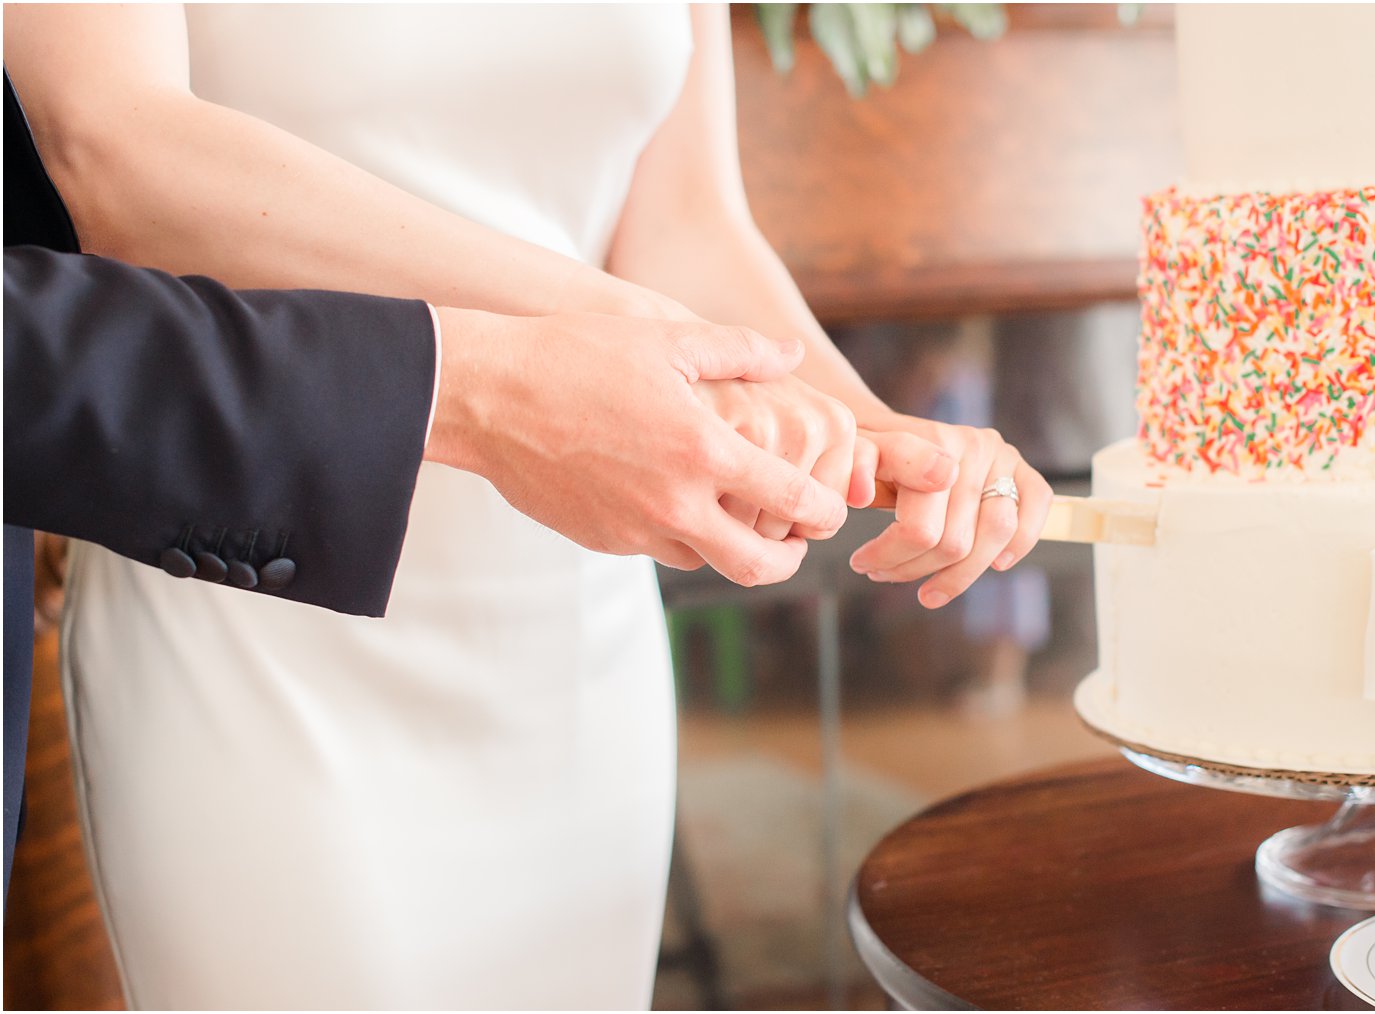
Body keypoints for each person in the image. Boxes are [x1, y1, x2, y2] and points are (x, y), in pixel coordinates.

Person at [3, 5, 1052, 1008]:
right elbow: (119, 149)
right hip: (268, 612)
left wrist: (880, 432)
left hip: (574, 628)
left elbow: (686, 223)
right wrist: (615, 331)